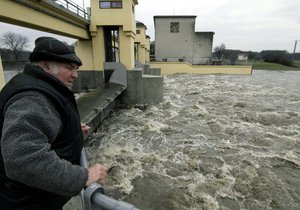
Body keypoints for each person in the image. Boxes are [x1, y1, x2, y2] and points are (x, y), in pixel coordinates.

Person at [0, 37, 107, 210]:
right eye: (69, 68)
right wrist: (83, 177)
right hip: (28, 203)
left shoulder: (36, 85)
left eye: (76, 69)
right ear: (47, 65)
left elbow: (37, 128)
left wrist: (68, 131)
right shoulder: (33, 98)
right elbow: (22, 158)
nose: (75, 74)